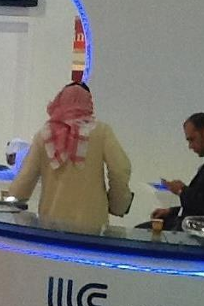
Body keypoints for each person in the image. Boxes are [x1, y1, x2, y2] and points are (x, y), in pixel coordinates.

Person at [8, 82, 133, 232]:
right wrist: (118, 205)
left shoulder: (44, 135)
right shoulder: (101, 131)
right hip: (92, 225)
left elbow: (25, 179)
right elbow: (121, 169)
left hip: (51, 224)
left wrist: (13, 199)